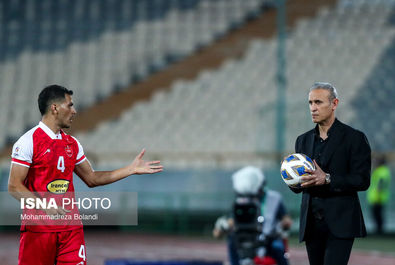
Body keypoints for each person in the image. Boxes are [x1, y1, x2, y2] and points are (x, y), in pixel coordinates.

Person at [8, 84, 163, 265]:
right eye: (70, 105)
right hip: (39, 232)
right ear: (55, 108)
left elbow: (92, 178)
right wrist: (44, 206)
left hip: (71, 232)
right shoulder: (28, 141)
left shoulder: (72, 144)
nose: (74, 111)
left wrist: (129, 169)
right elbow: (14, 186)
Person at [290, 82, 371, 265]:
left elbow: (362, 180)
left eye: (318, 102)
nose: (313, 108)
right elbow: (300, 187)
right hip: (311, 224)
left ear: (334, 104)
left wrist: (327, 178)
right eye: (310, 103)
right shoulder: (302, 140)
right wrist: (291, 178)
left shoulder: (354, 138)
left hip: (340, 223)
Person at [213, 166, 292, 265]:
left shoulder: (274, 198)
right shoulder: (242, 202)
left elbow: (285, 218)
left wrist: (285, 224)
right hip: (247, 235)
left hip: (270, 238)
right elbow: (232, 220)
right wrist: (224, 226)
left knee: (278, 247)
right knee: (232, 241)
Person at [367, 155, 391, 234]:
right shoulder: (384, 170)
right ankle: (379, 230)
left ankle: (379, 231)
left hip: (377, 197)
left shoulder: (382, 171)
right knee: (378, 215)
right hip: (378, 197)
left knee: (377, 215)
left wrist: (377, 194)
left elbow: (380, 183)